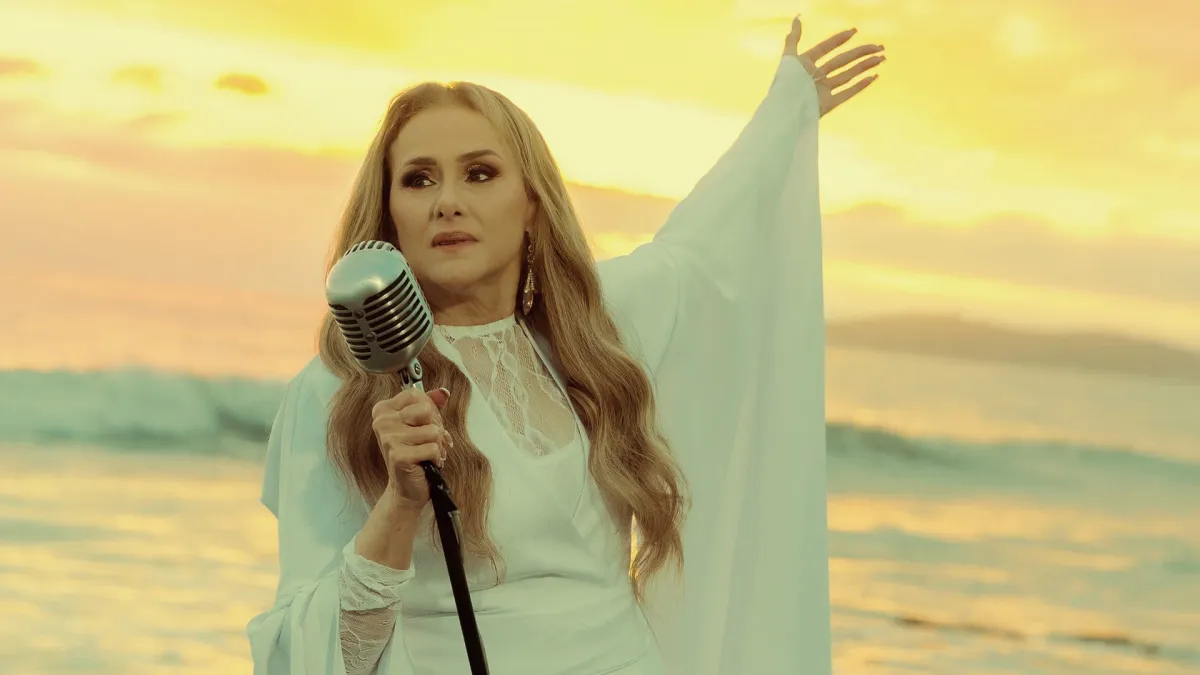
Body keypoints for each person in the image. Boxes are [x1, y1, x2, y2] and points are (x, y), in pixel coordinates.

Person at [247, 15, 883, 675]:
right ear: (389, 214)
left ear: (531, 204)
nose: (448, 202)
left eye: (480, 173)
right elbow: (321, 653)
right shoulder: (338, 390)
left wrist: (787, 111)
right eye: (419, 179)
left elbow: (704, 250)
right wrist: (400, 502)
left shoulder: (591, 334)